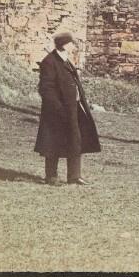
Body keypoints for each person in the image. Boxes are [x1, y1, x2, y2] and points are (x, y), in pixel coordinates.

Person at [34, 32, 101, 186]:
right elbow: (46, 89)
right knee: (53, 142)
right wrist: (58, 108)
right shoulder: (49, 62)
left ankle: (74, 176)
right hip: (56, 112)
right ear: (64, 44)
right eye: (72, 44)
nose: (74, 47)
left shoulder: (66, 60)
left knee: (75, 140)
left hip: (73, 109)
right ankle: (51, 176)